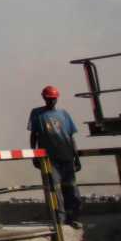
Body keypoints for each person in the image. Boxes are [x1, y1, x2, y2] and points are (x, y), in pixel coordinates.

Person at [29, 85, 82, 228]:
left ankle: (74, 217)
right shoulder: (37, 114)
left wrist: (76, 157)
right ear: (44, 98)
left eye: (53, 99)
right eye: (48, 98)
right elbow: (34, 135)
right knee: (55, 189)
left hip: (66, 156)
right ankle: (60, 219)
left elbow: (70, 137)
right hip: (49, 159)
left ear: (57, 98)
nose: (51, 101)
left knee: (71, 188)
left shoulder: (64, 114)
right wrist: (34, 154)